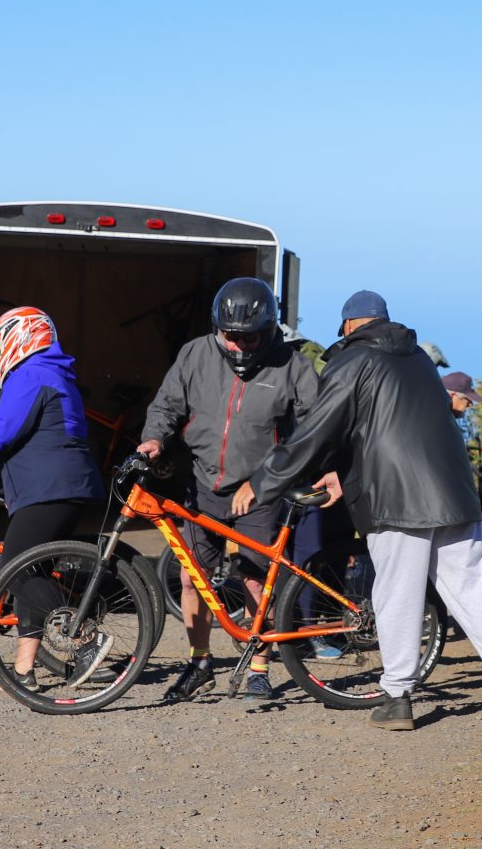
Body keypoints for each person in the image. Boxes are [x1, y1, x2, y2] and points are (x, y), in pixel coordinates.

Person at [242, 290, 482, 735]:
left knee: (398, 595)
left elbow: (319, 429)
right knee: (474, 589)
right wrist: (339, 473)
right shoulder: (420, 360)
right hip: (454, 494)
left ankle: (397, 697)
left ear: (349, 326)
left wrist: (264, 481)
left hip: (393, 497)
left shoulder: (351, 360)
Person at [138, 277, 322, 703]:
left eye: (249, 338)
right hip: (202, 484)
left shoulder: (292, 366)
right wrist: (154, 438)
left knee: (256, 582)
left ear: (269, 330)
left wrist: (264, 481)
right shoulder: (195, 354)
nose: (238, 346)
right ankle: (199, 662)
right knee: (192, 580)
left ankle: (259, 668)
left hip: (260, 492)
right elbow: (167, 405)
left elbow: (313, 430)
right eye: (230, 336)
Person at [0, 307, 105, 690]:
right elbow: (45, 438)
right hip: (61, 488)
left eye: (0, 348)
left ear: (23, 337)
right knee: (32, 574)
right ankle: (23, 671)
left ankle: (85, 639)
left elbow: (2, 432)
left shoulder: (31, 374)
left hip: (52, 489)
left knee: (15, 570)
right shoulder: (53, 372)